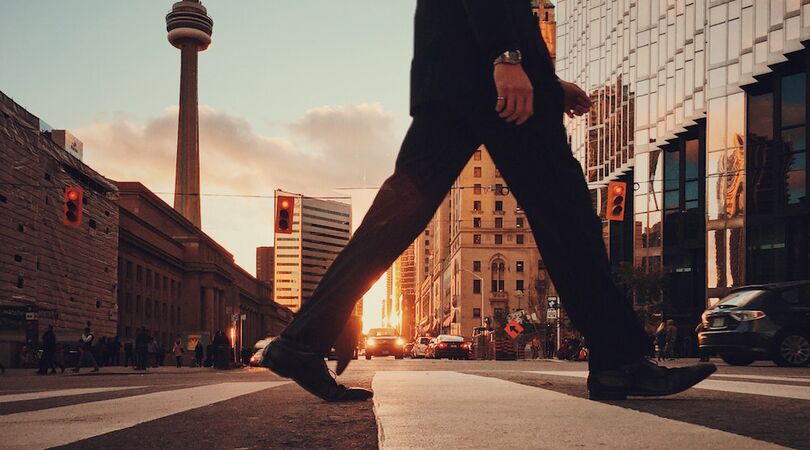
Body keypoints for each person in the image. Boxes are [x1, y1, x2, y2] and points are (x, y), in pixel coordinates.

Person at [261, 0, 716, 403]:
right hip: (487, 74)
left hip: (453, 75)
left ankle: (304, 339)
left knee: (397, 214)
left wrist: (547, 84)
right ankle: (619, 360)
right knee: (568, 216)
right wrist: (508, 56)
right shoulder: (503, 60)